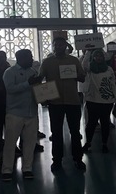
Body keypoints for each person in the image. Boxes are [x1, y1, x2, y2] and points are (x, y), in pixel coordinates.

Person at [33, 36, 86, 172]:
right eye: (56, 45)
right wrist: (41, 94)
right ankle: (56, 160)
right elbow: (40, 78)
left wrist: (74, 75)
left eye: (61, 45)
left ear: (66, 46)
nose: (58, 47)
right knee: (56, 132)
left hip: (73, 101)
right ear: (53, 46)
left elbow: (82, 78)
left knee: (75, 132)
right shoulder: (47, 62)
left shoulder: (73, 60)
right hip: (55, 102)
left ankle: (78, 159)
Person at [1, 49, 39, 182]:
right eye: (29, 57)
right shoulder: (9, 72)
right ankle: (7, 170)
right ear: (20, 58)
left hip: (32, 112)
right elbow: (10, 89)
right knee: (10, 143)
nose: (32, 59)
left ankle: (27, 168)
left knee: (30, 142)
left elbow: (37, 89)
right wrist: (28, 83)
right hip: (15, 113)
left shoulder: (33, 71)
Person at [82, 49, 116, 153]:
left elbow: (113, 84)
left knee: (105, 122)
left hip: (107, 100)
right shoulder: (90, 68)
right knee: (91, 123)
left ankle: (104, 143)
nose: (98, 58)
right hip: (92, 100)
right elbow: (84, 64)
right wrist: (88, 51)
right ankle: (88, 142)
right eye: (96, 56)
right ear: (93, 57)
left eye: (100, 56)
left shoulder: (109, 69)